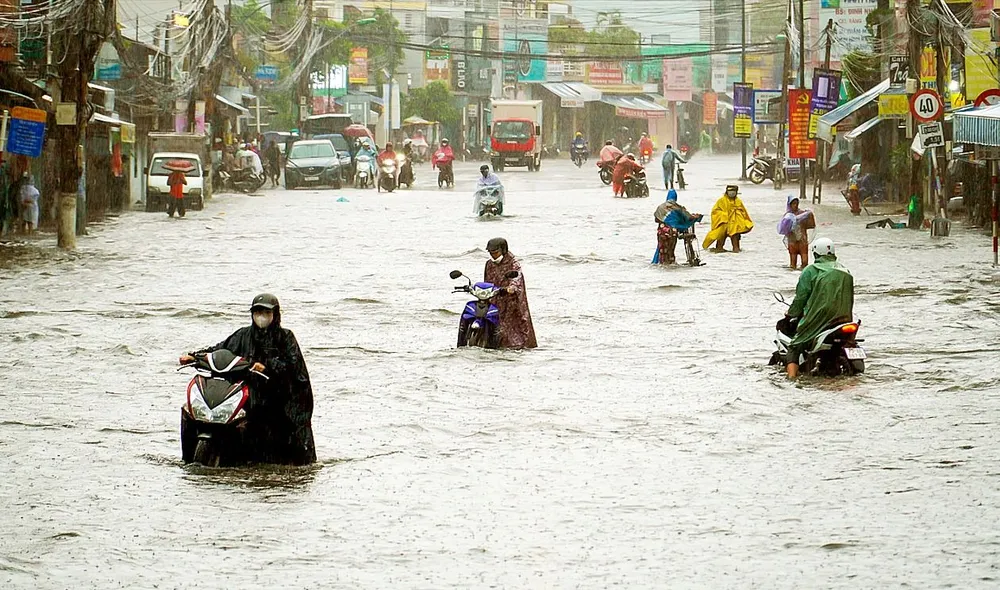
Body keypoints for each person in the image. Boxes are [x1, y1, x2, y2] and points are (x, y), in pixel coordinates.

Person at [179, 293, 317, 464]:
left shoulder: (285, 337)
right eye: (257, 312)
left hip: (277, 397)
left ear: (275, 315)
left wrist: (267, 366)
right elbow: (220, 349)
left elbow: (293, 367)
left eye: (266, 313)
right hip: (247, 393)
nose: (261, 317)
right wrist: (195, 357)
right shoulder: (243, 335)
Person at [784, 239, 854, 379]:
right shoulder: (845, 270)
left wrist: (791, 313)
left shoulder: (811, 270)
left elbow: (801, 298)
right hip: (844, 318)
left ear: (815, 253)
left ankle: (791, 380)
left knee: (794, 345)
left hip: (819, 318)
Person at [484, 238, 537, 349]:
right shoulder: (489, 264)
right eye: (491, 253)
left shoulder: (513, 263)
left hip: (510, 301)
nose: (493, 256)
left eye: (495, 253)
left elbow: (517, 277)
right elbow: (486, 282)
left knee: (514, 327)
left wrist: (512, 287)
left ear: (503, 250)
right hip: (494, 300)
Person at [652, 189, 703, 265]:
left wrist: (665, 222)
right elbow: (687, 217)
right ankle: (670, 263)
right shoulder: (677, 207)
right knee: (670, 250)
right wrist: (695, 218)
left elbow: (656, 219)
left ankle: (659, 263)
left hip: (662, 232)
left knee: (661, 250)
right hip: (672, 232)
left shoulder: (660, 207)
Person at [703, 184, 754, 252]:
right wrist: (725, 215)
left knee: (736, 245)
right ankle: (718, 249)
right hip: (724, 225)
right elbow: (715, 212)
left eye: (734, 191)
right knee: (720, 243)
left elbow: (744, 213)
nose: (732, 193)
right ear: (727, 192)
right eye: (730, 191)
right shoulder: (721, 201)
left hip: (735, 225)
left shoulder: (738, 201)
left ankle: (736, 251)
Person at [777, 196, 815, 270]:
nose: (795, 205)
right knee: (793, 265)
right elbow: (783, 230)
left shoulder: (804, 214)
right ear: (789, 205)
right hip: (792, 242)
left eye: (797, 203)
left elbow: (811, 225)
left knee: (805, 263)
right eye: (793, 203)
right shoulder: (787, 217)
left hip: (802, 241)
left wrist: (810, 216)